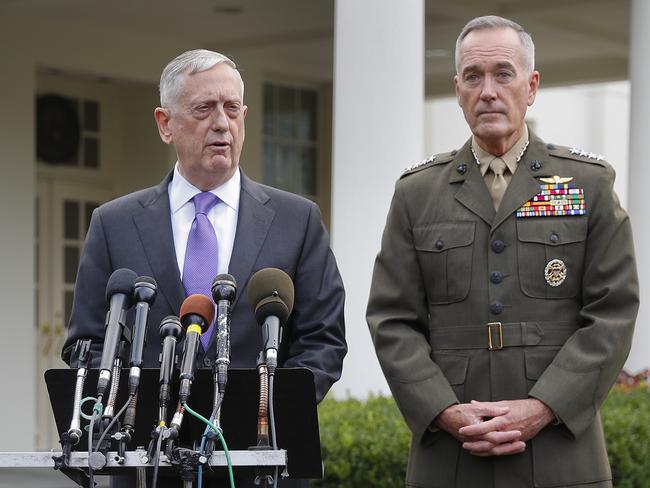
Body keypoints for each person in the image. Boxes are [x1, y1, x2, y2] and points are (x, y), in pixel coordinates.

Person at [367, 15, 637, 488]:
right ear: (457, 89)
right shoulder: (417, 193)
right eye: (473, 77)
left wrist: (543, 407)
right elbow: (392, 320)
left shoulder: (586, 184)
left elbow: (612, 313)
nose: (487, 90)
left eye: (502, 74)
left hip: (560, 456)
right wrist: (445, 411)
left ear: (531, 86)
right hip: (450, 459)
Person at [62, 49, 346, 483]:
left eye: (232, 109)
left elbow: (323, 339)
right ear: (165, 123)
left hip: (260, 462)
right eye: (204, 109)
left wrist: (270, 406)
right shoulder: (113, 224)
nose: (222, 123)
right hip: (146, 464)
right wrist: (132, 407)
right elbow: (86, 341)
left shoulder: (297, 220)